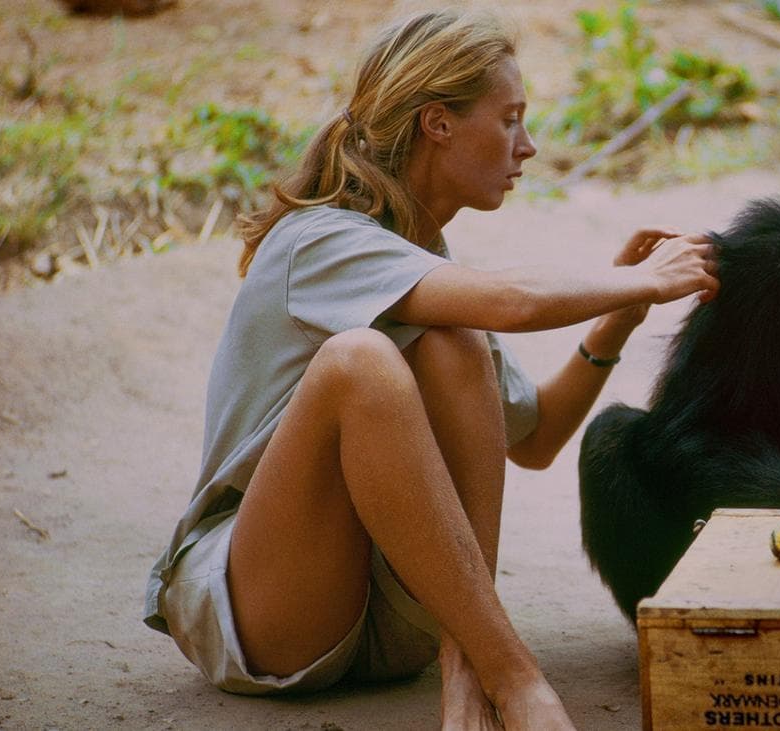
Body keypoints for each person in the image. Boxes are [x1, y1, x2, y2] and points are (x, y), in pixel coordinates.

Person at [142, 9, 718, 730]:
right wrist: (640, 283)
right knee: (361, 362)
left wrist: (619, 319)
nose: (527, 145)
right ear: (437, 122)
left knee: (453, 342)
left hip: (394, 624)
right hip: (270, 614)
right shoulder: (316, 241)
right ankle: (512, 676)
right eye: (510, 120)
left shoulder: (429, 268)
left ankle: (464, 662)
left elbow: (533, 437)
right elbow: (510, 301)